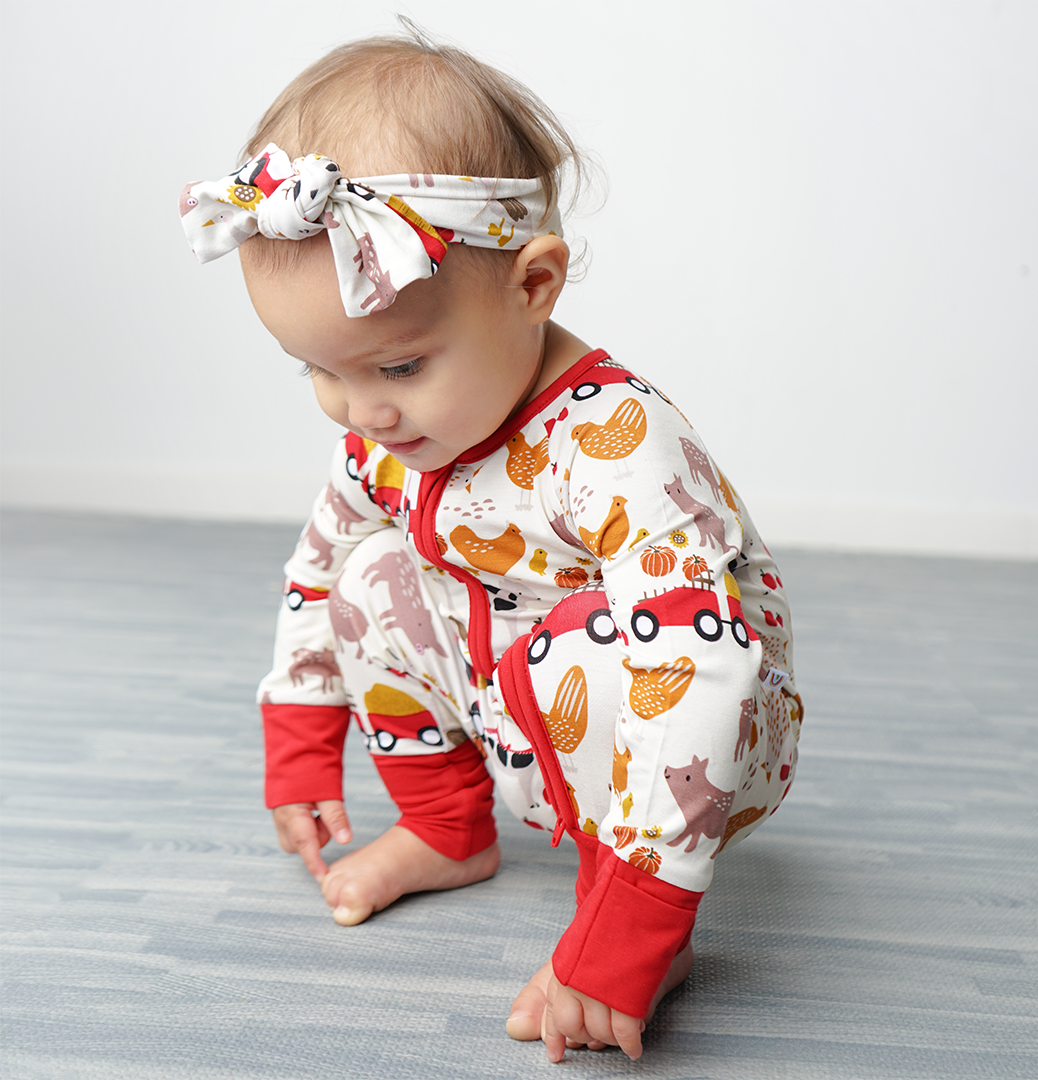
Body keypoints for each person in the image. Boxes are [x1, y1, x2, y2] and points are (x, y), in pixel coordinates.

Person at [179, 25, 802, 1063]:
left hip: (696, 725)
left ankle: (632, 913)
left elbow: (699, 672)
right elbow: (317, 569)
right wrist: (299, 742)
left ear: (532, 285)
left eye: (401, 365)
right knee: (370, 571)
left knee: (615, 654)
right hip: (511, 688)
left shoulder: (613, 446)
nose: (362, 412)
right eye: (321, 372)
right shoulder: (396, 438)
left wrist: (631, 934)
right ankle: (445, 828)